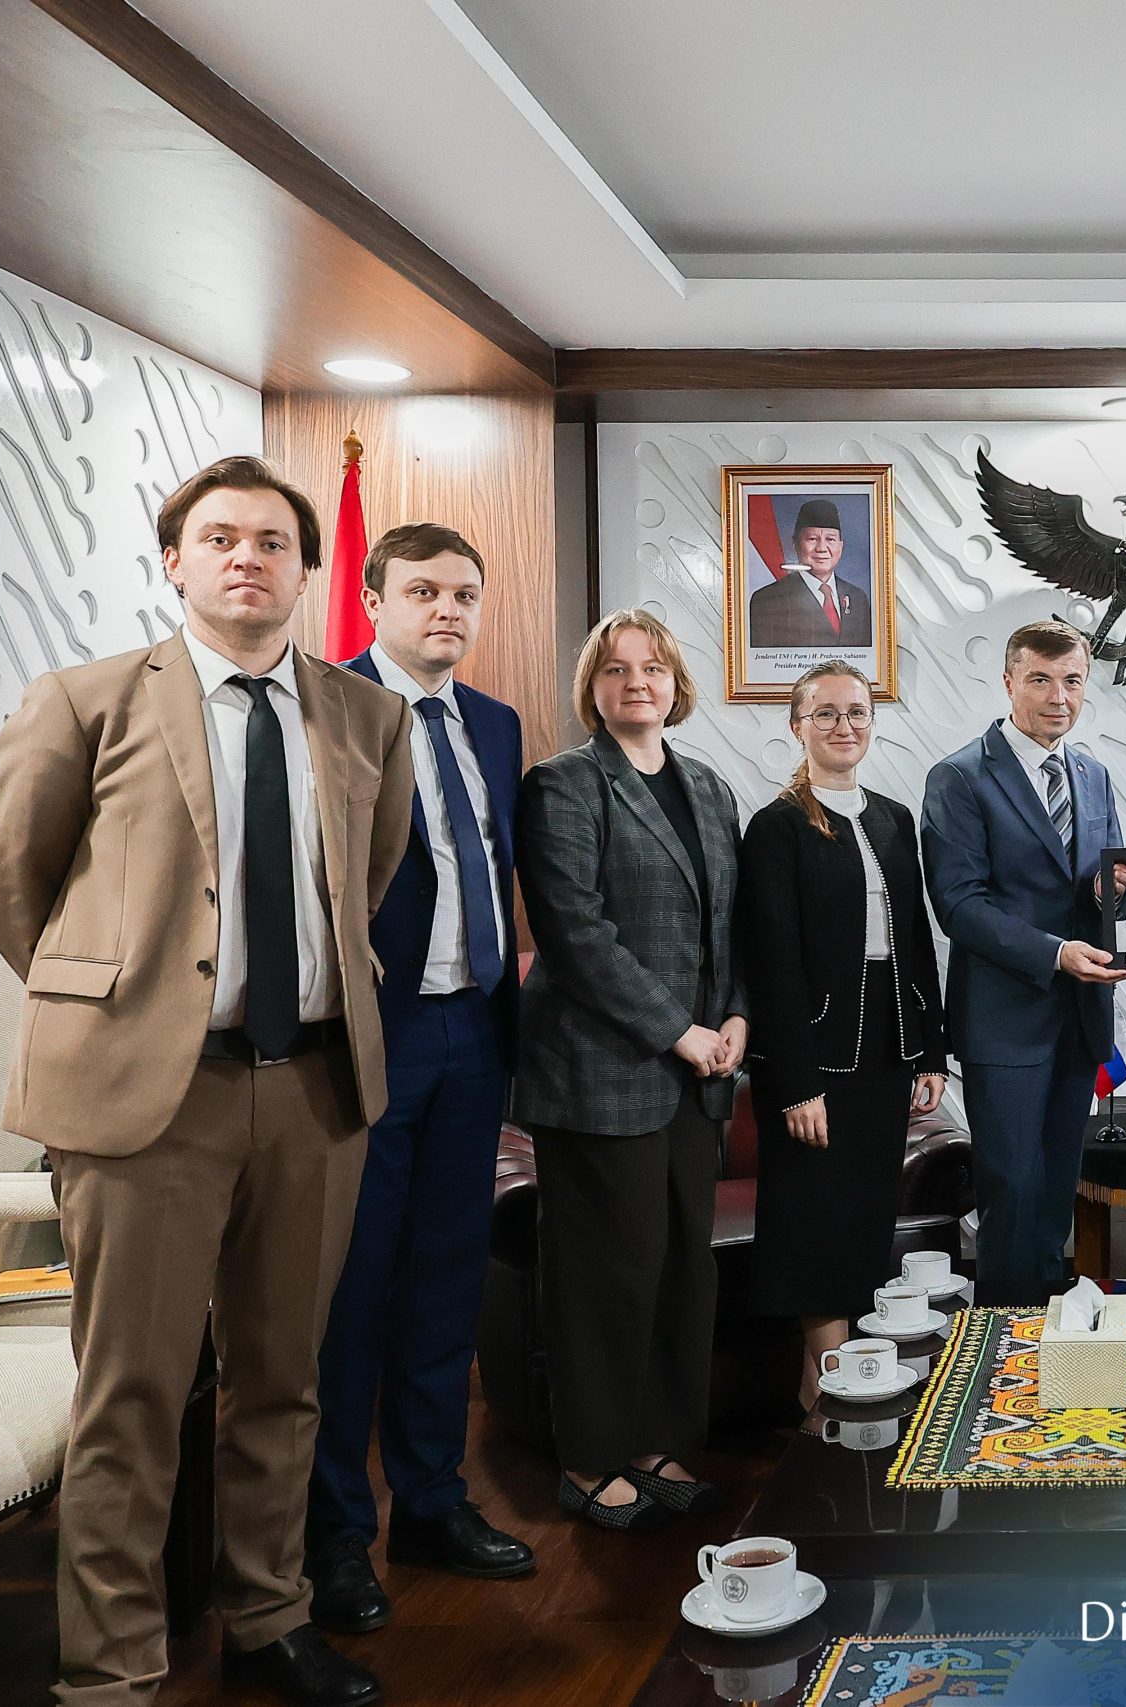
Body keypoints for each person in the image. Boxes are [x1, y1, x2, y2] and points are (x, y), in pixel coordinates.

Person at [0, 455, 412, 1707]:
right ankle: (110, 1672)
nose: (246, 559)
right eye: (220, 538)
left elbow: (368, 878)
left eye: (273, 541)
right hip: (145, 1104)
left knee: (283, 1386)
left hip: (314, 1092)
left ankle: (269, 1621)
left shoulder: (366, 717)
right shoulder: (87, 701)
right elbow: (13, 885)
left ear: (306, 570)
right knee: (133, 1398)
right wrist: (130, 1011)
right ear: (175, 561)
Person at [308, 524, 534, 1634]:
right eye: (425, 591)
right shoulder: (324, 707)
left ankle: (433, 1502)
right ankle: (335, 1535)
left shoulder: (495, 722)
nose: (448, 610)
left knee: (449, 1278)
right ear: (373, 599)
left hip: (474, 1031)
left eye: (465, 594)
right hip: (369, 1040)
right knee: (353, 1291)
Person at [513, 610, 746, 1531]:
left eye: (652, 667)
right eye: (615, 669)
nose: (636, 682)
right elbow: (575, 933)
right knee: (604, 1273)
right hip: (601, 1069)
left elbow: (729, 924)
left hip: (698, 1074)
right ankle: (588, 1459)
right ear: (594, 688)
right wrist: (678, 1030)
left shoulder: (709, 787)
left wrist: (735, 1016)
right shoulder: (564, 784)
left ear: (675, 681)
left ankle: (655, 1445)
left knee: (681, 1266)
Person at [738, 661, 949, 1403]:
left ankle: (829, 1393)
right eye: (825, 713)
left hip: (888, 1051)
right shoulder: (776, 827)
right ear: (798, 725)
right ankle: (829, 1395)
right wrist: (795, 1083)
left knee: (863, 1219)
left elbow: (915, 941)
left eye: (856, 712)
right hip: (814, 1058)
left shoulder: (893, 818)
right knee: (814, 1222)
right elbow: (771, 963)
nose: (843, 726)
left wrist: (931, 1050)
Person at [920, 620, 1126, 1304]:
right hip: (1005, 1023)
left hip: (1080, 1018)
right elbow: (960, 905)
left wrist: (1113, 896)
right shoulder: (959, 777)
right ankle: (1004, 1346)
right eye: (1040, 679)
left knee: (1054, 1196)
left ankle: (1048, 1341)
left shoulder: (1093, 774)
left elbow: (1106, 888)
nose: (1058, 697)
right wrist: (1056, 953)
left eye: (1072, 681)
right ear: (1009, 681)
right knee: (1010, 1193)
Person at [749, 497, 872, 648]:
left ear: (841, 546)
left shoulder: (858, 598)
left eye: (830, 539)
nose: (821, 548)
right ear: (795, 544)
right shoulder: (767, 601)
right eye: (812, 539)